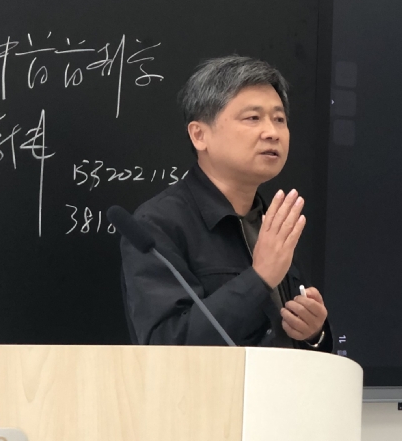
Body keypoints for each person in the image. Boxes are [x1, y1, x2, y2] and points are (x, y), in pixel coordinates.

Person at [119, 55, 330, 349]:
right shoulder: (158, 224)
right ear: (199, 135)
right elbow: (168, 344)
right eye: (253, 118)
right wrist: (259, 279)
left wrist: (314, 334)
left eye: (279, 119)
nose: (272, 132)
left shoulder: (272, 220)